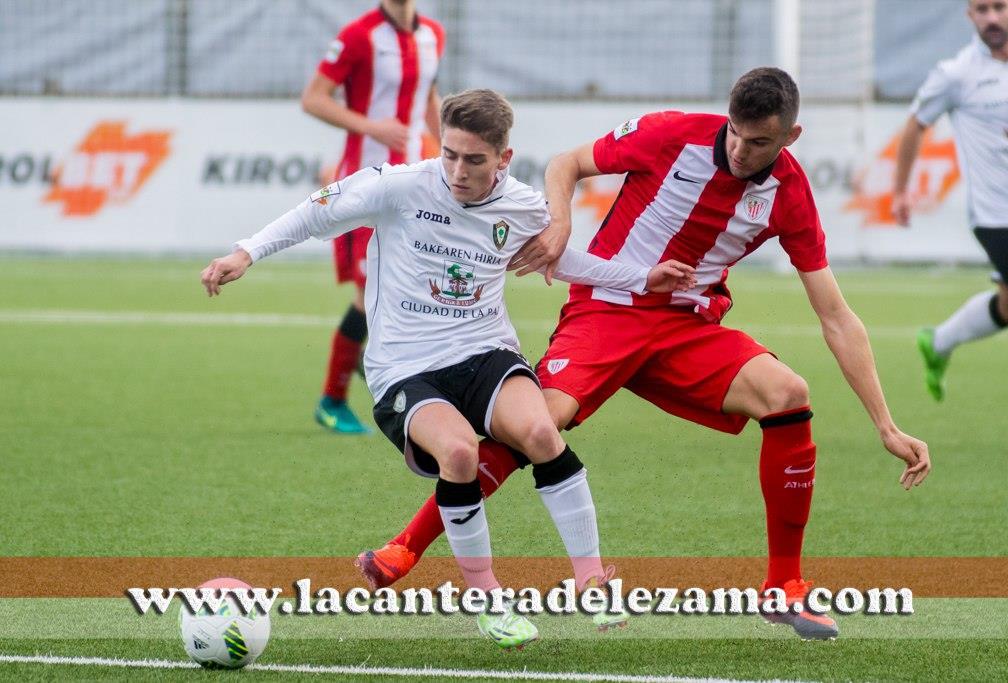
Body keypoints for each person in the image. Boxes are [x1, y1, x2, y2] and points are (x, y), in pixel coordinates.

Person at [356, 68, 933, 642]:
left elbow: (835, 314)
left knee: (788, 394)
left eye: (759, 142)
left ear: (791, 137)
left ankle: (784, 588)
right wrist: (559, 228)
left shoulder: (790, 195)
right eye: (735, 132)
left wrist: (885, 424)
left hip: (685, 326)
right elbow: (566, 163)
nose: (739, 149)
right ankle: (404, 548)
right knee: (538, 423)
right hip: (606, 310)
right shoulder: (671, 133)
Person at [201, 89, 696, 649]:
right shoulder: (400, 186)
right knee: (459, 452)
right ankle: (488, 602)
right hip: (405, 367)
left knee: (539, 430)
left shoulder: (524, 206)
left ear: (503, 159)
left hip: (484, 352)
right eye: (451, 155)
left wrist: (639, 278)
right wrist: (245, 252)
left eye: (474, 159)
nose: (458, 171)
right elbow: (315, 212)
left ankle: (592, 582)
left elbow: (558, 259)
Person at [301, 0, 444, 433]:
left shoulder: (434, 34)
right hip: (366, 186)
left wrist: (452, 151)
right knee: (369, 294)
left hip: (414, 184)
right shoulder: (358, 36)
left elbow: (429, 98)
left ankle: (385, 369)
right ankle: (332, 399)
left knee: (421, 285)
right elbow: (313, 99)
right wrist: (370, 127)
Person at [892, 0, 1008, 402]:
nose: (991, 17)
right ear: (970, 16)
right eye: (981, 10)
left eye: (998, 7)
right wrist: (900, 191)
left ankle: (940, 341)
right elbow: (916, 125)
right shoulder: (957, 74)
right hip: (997, 217)